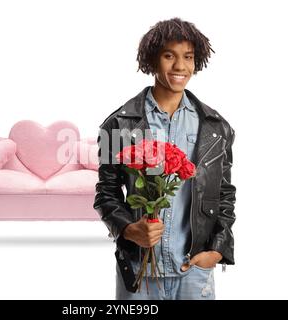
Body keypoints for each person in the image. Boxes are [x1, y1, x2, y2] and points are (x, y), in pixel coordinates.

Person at [93, 17, 236, 300]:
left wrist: (218, 249)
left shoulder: (216, 128)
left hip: (194, 270)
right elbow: (106, 193)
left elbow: (223, 194)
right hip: (138, 270)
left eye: (188, 57)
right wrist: (129, 229)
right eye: (169, 56)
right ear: (152, 60)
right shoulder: (118, 125)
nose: (180, 66)